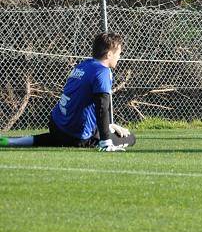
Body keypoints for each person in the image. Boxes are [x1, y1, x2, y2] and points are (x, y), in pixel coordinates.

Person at [0, 32, 136, 151]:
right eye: (119, 53)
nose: (120, 56)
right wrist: (106, 141)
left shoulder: (83, 65)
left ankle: (13, 141)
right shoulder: (102, 72)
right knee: (130, 138)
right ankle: (104, 138)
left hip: (57, 125)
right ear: (109, 54)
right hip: (76, 134)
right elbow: (102, 107)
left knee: (57, 139)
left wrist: (108, 125)